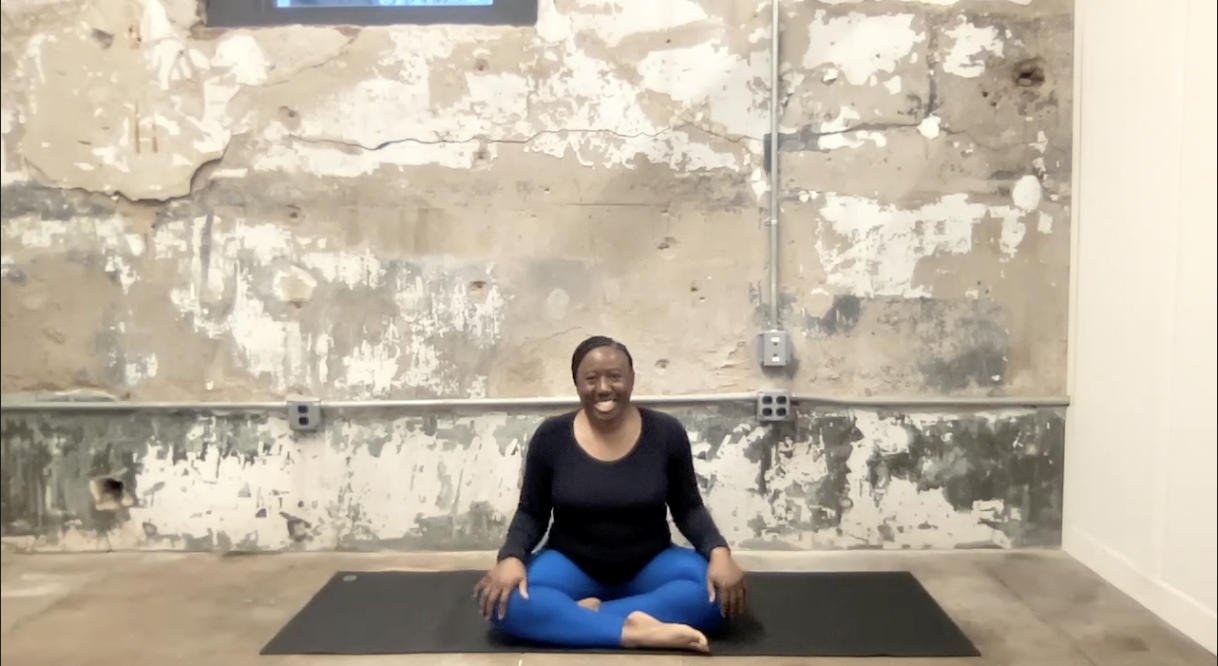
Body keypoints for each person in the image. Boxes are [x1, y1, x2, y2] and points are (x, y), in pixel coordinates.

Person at [473, 335, 748, 653]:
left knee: (717, 597)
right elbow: (531, 513)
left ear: (631, 379)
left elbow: (688, 508)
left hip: (650, 562)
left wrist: (719, 553)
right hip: (571, 563)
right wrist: (510, 557)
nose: (603, 388)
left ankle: (582, 618)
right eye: (591, 379)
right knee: (501, 603)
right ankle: (634, 632)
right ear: (577, 383)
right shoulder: (551, 437)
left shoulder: (666, 433)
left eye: (615, 377)